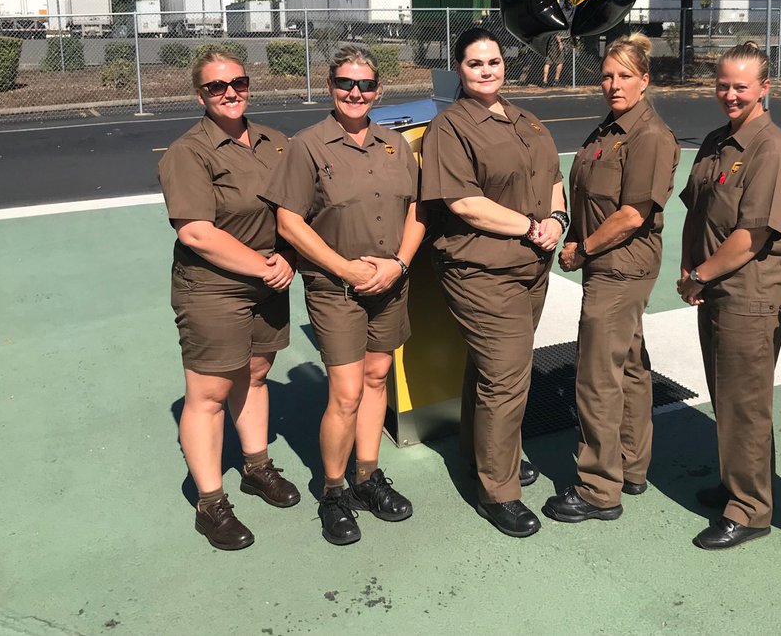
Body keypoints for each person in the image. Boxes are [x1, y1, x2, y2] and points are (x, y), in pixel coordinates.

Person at [263, 44, 425, 547]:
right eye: (345, 83)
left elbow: (418, 210)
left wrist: (398, 264)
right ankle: (333, 491)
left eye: (366, 84)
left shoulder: (396, 144)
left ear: (379, 89)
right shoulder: (307, 145)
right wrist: (345, 269)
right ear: (329, 85)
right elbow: (288, 220)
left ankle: (366, 477)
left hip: (390, 281)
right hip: (337, 288)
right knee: (347, 391)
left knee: (378, 379)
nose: (355, 93)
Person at [421, 27, 567, 539]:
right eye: (475, 63)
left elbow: (553, 180)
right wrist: (532, 226)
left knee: (492, 368)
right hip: (481, 271)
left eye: (494, 61)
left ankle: (479, 452)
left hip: (531, 268)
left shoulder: (527, 120)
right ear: (458, 69)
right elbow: (464, 203)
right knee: (507, 378)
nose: (487, 70)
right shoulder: (452, 127)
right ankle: (498, 491)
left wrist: (558, 221)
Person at [158, 50, 299, 551]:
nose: (230, 92)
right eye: (217, 87)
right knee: (209, 395)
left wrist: (287, 258)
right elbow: (197, 233)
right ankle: (210, 503)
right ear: (201, 95)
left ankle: (256, 468)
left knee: (256, 374)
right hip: (214, 288)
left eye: (237, 81)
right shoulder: (189, 152)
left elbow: (296, 210)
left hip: (270, 280)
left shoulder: (276, 144)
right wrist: (267, 264)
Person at [546, 33, 679, 523]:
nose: (613, 84)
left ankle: (599, 488)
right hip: (609, 264)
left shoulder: (648, 135)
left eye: (625, 76)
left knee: (597, 375)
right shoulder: (611, 128)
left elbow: (632, 214)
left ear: (645, 80)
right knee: (628, 365)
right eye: (607, 75)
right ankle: (631, 463)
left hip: (620, 264)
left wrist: (584, 248)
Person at [677, 42, 781, 551]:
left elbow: (751, 237)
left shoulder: (769, 148)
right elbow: (698, 210)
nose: (730, 94)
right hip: (715, 286)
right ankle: (742, 486)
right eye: (723, 84)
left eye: (741, 86)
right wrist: (691, 266)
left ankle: (749, 510)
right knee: (727, 395)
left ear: (764, 89)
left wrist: (698, 274)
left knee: (745, 400)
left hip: (748, 291)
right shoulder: (715, 141)